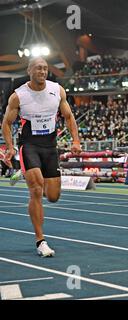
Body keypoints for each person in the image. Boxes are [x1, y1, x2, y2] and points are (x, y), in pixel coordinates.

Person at [1, 57, 82, 257]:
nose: (42, 71)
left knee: (53, 196)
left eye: (45, 68)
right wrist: (10, 147)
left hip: (50, 147)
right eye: (38, 68)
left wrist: (76, 140)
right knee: (36, 190)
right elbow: (6, 123)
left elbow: (69, 117)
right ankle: (40, 240)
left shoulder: (57, 90)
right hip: (29, 146)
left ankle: (28, 173)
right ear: (29, 70)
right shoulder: (18, 96)